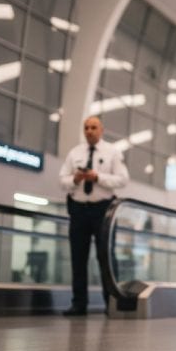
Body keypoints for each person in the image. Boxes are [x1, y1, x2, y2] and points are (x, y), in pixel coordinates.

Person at [59, 116, 129, 316]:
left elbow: (123, 179)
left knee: (104, 256)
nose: (89, 131)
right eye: (86, 128)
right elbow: (62, 180)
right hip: (78, 210)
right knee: (77, 258)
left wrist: (98, 177)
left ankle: (111, 303)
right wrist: (76, 178)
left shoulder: (112, 152)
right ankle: (79, 303)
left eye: (93, 127)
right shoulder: (75, 153)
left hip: (103, 211)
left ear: (101, 130)